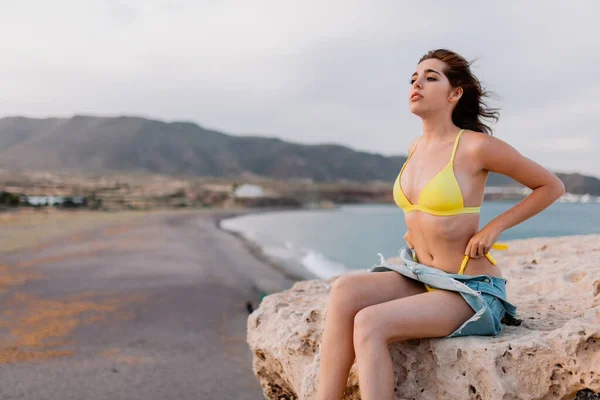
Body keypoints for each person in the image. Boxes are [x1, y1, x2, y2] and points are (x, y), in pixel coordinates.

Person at [315, 49, 565, 400]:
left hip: (469, 289)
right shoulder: (415, 146)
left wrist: (494, 228)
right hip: (422, 275)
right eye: (414, 78)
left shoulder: (477, 146)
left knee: (370, 322)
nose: (417, 83)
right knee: (344, 290)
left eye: (431, 77)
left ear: (454, 93)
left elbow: (551, 186)